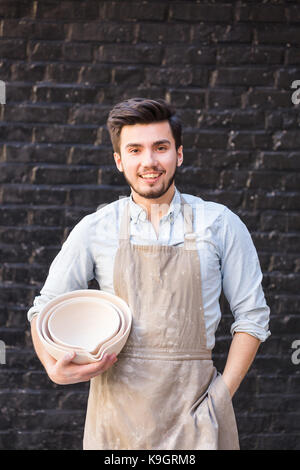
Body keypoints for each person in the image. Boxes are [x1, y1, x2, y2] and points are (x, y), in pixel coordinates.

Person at [28, 97, 271, 450]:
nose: (149, 161)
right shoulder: (96, 228)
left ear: (179, 154)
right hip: (115, 420)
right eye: (135, 150)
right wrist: (52, 365)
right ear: (119, 160)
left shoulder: (220, 224)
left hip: (198, 415)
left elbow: (252, 318)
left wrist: (220, 398)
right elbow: (45, 306)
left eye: (161, 147)